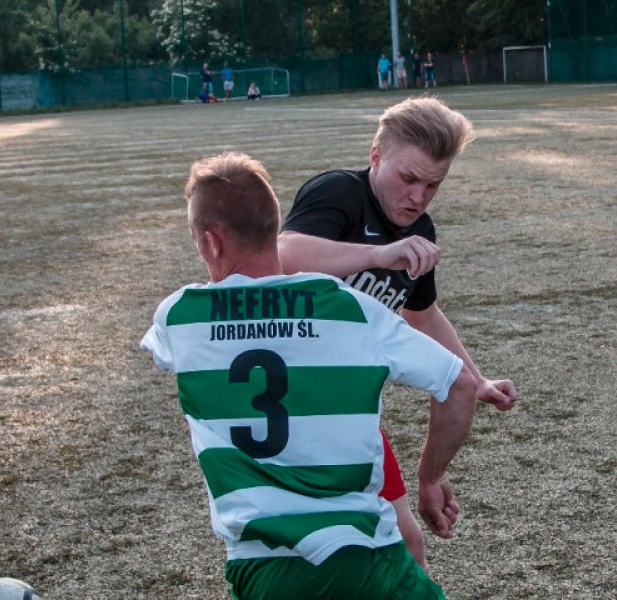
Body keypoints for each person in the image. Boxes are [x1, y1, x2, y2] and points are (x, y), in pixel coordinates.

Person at [141, 152, 478, 599]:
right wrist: (430, 475)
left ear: (211, 242)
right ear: (272, 227)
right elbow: (460, 386)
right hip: (370, 559)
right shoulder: (348, 308)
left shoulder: (178, 317)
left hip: (263, 569)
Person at [278, 97, 519, 568]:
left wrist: (478, 378)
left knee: (407, 546)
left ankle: (429, 481)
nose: (418, 196)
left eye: (433, 185)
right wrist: (376, 255)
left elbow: (423, 314)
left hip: (349, 414)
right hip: (288, 411)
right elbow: (284, 254)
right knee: (303, 557)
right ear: (375, 156)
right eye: (408, 178)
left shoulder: (420, 230)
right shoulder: (339, 193)